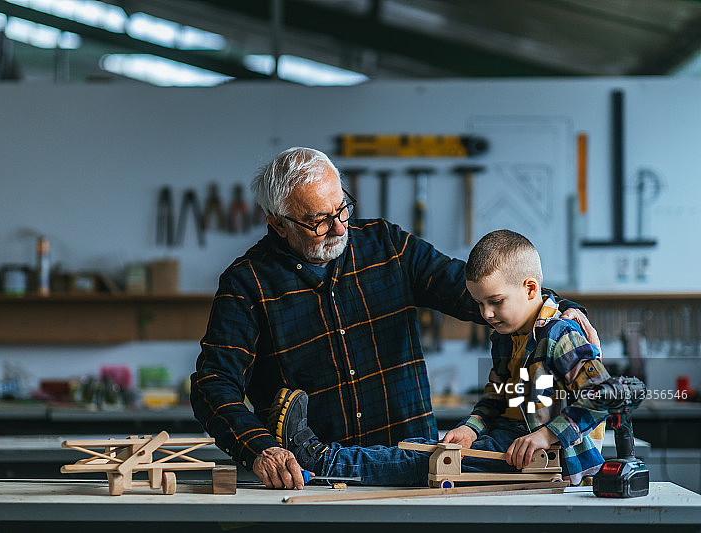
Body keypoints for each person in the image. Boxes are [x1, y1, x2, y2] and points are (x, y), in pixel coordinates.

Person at [190, 147, 597, 490]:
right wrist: (260, 447)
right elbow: (213, 385)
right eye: (317, 221)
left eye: (342, 208)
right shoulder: (246, 285)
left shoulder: (387, 245)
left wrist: (554, 308)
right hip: (313, 482)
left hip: (415, 464)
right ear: (277, 222)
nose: (337, 227)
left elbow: (472, 289)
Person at [269, 229, 610, 487]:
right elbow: (497, 400)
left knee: (424, 463)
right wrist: (470, 429)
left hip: (544, 459)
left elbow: (602, 398)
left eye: (495, 301)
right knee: (422, 448)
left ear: (531, 289)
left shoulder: (560, 334)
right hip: (507, 442)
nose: (487, 314)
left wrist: (547, 435)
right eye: (479, 304)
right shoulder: (508, 338)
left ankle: (320, 460)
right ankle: (323, 461)